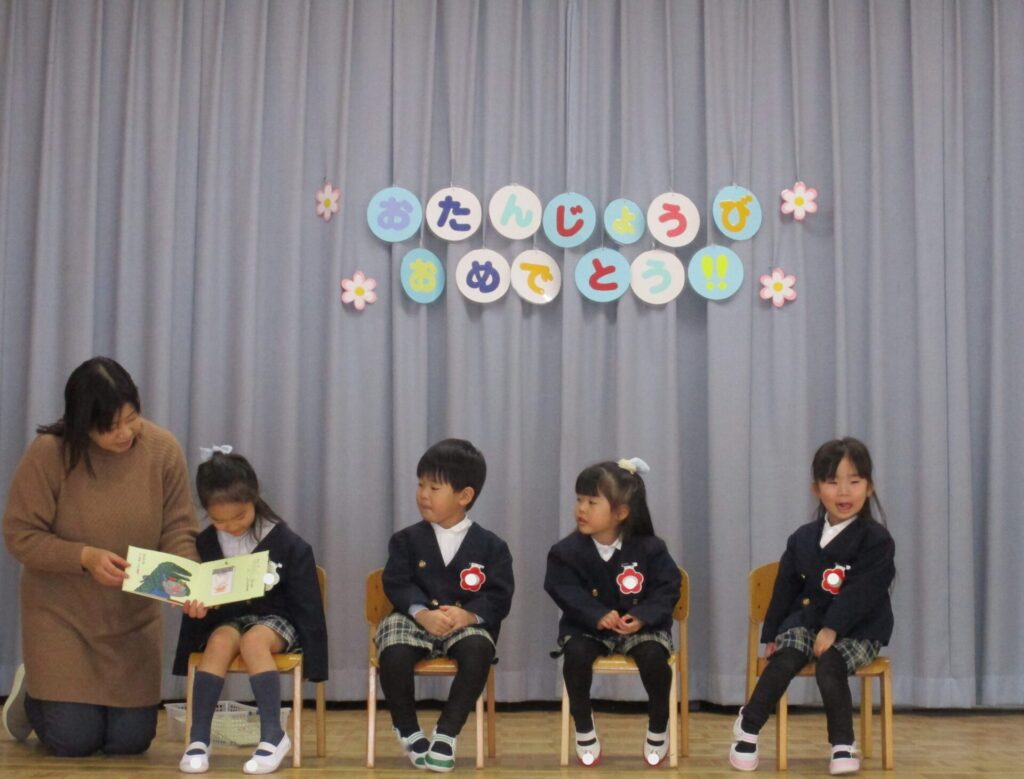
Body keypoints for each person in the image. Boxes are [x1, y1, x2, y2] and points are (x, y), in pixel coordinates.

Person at [1, 356, 198, 756]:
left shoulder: (163, 450)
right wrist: (84, 557)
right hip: (61, 618)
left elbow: (179, 529)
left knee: (130, 742)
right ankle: (33, 693)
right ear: (81, 423)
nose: (125, 433)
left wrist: (188, 578)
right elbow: (21, 535)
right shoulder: (49, 454)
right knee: (73, 740)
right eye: (109, 427)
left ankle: (53, 696)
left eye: (132, 418)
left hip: (131, 621)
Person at [729, 437, 896, 776]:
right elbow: (785, 587)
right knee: (785, 657)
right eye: (832, 482)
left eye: (854, 481)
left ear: (869, 486)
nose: (844, 492)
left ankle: (842, 743)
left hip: (858, 630)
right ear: (816, 489)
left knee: (830, 663)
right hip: (808, 621)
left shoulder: (876, 540)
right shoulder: (802, 537)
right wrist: (772, 634)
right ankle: (748, 727)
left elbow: (863, 592)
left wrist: (833, 627)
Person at [173, 449, 328, 774]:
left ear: (254, 498)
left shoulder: (287, 543)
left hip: (278, 620)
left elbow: (307, 605)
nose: (230, 526)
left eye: (239, 517)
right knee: (217, 643)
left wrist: (315, 659)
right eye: (219, 521)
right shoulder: (205, 544)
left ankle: (273, 734)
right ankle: (198, 736)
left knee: (253, 642)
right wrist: (195, 601)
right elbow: (201, 594)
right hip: (229, 619)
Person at [377, 438, 514, 772]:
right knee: (393, 651)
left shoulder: (492, 546)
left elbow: (499, 595)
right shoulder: (405, 540)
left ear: (464, 496)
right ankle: (407, 729)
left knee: (479, 651)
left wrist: (469, 615)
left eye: (434, 487)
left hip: (462, 623)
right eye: (420, 484)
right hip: (414, 618)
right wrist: (422, 613)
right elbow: (396, 582)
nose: (423, 494)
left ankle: (447, 733)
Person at [544, 458, 682, 767]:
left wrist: (642, 616)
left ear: (621, 512)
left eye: (592, 502)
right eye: (579, 499)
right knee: (575, 657)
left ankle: (658, 725)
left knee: (654, 659)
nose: (581, 508)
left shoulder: (651, 548)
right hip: (587, 627)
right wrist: (595, 613)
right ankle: (584, 726)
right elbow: (561, 588)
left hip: (641, 628)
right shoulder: (565, 551)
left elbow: (668, 587)